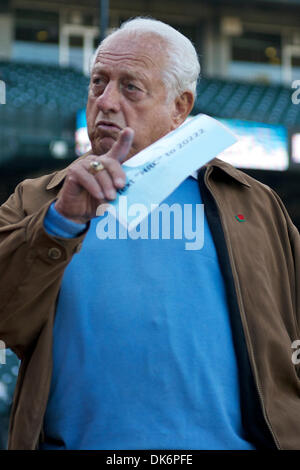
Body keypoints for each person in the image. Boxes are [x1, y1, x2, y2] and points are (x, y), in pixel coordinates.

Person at [0, 17, 299, 451]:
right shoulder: (36, 199)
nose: (106, 101)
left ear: (180, 106)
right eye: (98, 83)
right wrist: (59, 222)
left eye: (130, 87)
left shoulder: (256, 205)